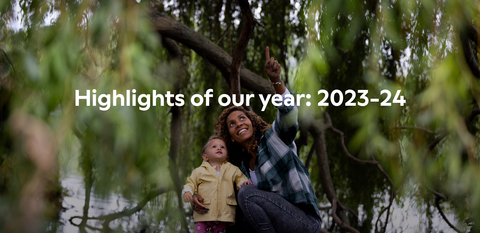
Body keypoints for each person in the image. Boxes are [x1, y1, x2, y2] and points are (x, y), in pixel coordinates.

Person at [191, 46, 322, 233]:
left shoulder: (274, 138)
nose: (239, 124)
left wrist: (276, 80)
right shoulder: (240, 167)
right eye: (232, 124)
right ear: (232, 138)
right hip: (274, 224)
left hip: (303, 222)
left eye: (243, 118)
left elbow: (289, 114)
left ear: (252, 122)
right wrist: (198, 197)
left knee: (247, 193)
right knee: (234, 215)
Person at [182, 136, 254, 233]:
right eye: (214, 146)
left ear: (227, 157)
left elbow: (240, 177)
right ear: (205, 157)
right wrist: (187, 192)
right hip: (203, 214)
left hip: (224, 215)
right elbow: (191, 183)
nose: (219, 148)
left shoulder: (232, 169)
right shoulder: (199, 171)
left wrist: (244, 182)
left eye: (222, 147)